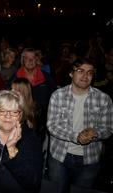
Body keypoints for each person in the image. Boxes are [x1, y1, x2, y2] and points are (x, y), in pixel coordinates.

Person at [47, 58, 113, 193]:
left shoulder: (104, 99)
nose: (85, 76)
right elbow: (52, 126)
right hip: (60, 156)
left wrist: (95, 133)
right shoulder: (58, 96)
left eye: (89, 72)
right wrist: (76, 137)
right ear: (71, 73)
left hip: (90, 159)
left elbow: (108, 129)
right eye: (80, 71)